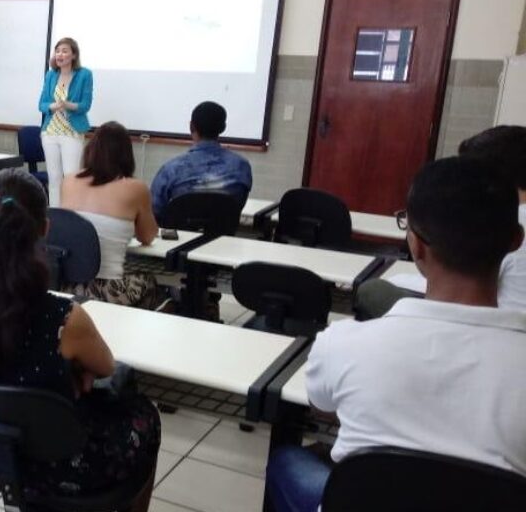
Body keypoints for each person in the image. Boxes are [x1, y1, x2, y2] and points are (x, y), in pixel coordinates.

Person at [265, 156, 526, 512]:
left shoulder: (344, 342)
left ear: (415, 245)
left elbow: (321, 405)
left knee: (286, 461)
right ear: (516, 240)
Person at [0, 168, 161, 508]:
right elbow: (105, 367)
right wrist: (71, 371)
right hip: (62, 460)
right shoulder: (65, 319)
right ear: (45, 229)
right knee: (146, 416)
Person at [354, 124, 526, 318]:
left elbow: (462, 281)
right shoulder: (508, 218)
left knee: (374, 290)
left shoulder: (498, 217)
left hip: (485, 321)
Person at [60, 121, 161, 308]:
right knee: (150, 282)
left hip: (66, 286)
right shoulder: (136, 188)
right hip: (108, 291)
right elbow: (147, 237)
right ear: (127, 156)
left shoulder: (69, 181)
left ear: (91, 150)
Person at [149, 101, 252, 220]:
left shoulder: (171, 169)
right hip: (222, 236)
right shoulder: (241, 166)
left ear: (191, 126)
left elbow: (154, 211)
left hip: (180, 236)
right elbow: (236, 206)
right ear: (223, 128)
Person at [37, 37, 94, 203]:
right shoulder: (50, 75)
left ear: (74, 55)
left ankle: (71, 215)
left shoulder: (84, 75)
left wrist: (68, 105)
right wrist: (52, 106)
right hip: (50, 132)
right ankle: (55, 215)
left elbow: (85, 105)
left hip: (71, 132)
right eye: (57, 51)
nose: (60, 54)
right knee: (54, 179)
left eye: (64, 51)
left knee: (71, 178)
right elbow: (42, 104)